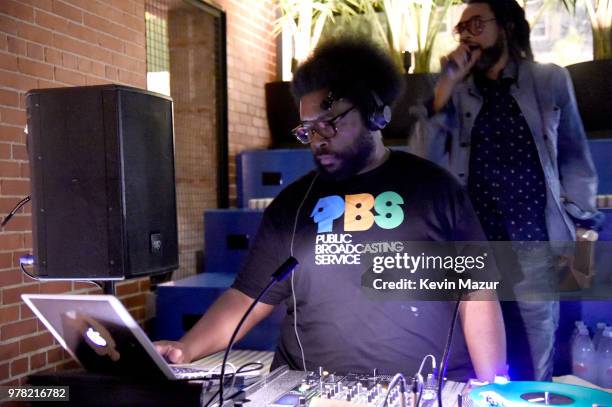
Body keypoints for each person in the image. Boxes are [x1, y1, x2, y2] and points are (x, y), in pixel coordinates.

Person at [155, 37, 506, 382]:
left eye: (329, 123)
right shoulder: (291, 206)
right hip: (308, 387)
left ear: (375, 114)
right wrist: (184, 349)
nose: (318, 139)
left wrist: (492, 386)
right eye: (307, 130)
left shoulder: (437, 190)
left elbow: (477, 297)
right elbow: (247, 296)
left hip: (426, 387)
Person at [410, 0, 603, 381]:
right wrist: (444, 89)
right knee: (479, 366)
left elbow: (575, 159)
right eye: (461, 28)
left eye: (476, 23)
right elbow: (421, 162)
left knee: (534, 362)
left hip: (535, 247)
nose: (466, 33)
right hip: (473, 251)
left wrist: (581, 232)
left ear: (508, 27)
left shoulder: (549, 80)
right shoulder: (453, 93)